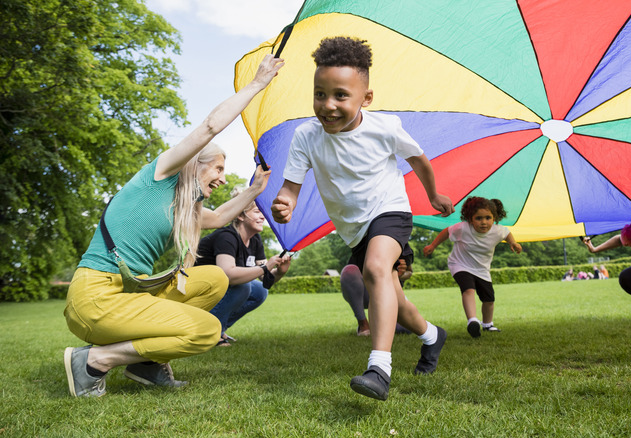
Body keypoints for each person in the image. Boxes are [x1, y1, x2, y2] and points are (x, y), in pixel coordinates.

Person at [62, 55, 285, 397]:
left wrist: (255, 189)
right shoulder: (160, 176)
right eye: (219, 170)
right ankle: (96, 360)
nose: (223, 179)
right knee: (207, 331)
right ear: (196, 164)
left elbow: (222, 217)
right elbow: (210, 126)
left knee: (213, 278)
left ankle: (145, 364)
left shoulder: (185, 207)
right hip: (95, 298)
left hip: (130, 293)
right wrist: (257, 84)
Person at [271, 36, 454, 401]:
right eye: (319, 94)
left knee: (374, 270)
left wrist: (433, 195)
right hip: (353, 229)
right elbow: (290, 187)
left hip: (390, 211)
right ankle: (432, 336)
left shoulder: (384, 128)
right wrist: (283, 202)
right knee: (395, 302)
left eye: (341, 95)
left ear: (365, 98)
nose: (328, 105)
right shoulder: (306, 136)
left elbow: (419, 160)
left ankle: (379, 368)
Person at [196, 189, 292, 346]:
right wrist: (265, 267)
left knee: (260, 290)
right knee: (243, 286)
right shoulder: (226, 237)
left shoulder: (255, 240)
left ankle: (218, 329)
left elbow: (265, 279)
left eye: (263, 212)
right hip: (198, 289)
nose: (263, 216)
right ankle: (207, 332)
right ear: (240, 215)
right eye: (257, 212)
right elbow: (228, 275)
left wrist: (279, 271)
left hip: (219, 289)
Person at [423, 197, 522, 338]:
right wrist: (432, 245)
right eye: (479, 218)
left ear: (494, 218)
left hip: (482, 270)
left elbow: (506, 233)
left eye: (488, 218)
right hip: (459, 265)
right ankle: (472, 321)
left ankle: (487, 324)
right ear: (470, 219)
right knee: (468, 289)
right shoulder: (462, 228)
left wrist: (513, 243)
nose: (484, 222)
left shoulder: (497, 231)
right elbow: (446, 231)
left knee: (489, 299)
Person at [341, 255, 414, 337]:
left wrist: (400, 273)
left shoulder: (402, 246)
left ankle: (383, 321)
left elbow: (409, 271)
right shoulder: (361, 246)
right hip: (367, 292)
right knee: (349, 271)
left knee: (406, 328)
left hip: (390, 294)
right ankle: (363, 324)